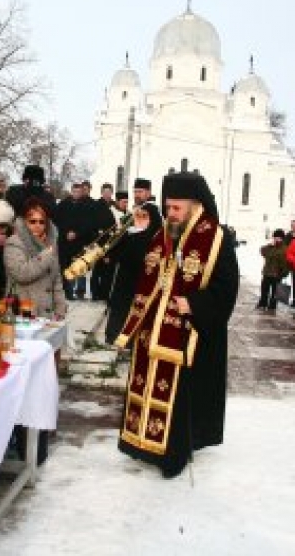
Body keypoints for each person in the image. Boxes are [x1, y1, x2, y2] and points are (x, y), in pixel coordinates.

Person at [115, 172, 239, 479]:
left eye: (176, 208)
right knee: (146, 385)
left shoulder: (215, 238)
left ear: (195, 206)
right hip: (152, 329)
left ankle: (173, 454)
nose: (170, 214)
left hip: (189, 331)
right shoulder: (163, 235)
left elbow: (227, 287)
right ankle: (141, 444)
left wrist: (195, 304)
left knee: (177, 396)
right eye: (168, 207)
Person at [104, 202, 162, 345]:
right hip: (124, 279)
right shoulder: (130, 232)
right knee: (119, 309)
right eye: (138, 216)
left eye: (145, 216)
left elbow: (139, 256)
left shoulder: (155, 236)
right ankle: (114, 336)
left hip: (141, 281)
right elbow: (115, 252)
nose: (140, 219)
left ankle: (131, 340)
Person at [3, 197, 67, 319]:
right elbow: (21, 273)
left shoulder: (49, 244)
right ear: (24, 221)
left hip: (47, 316)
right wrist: (46, 255)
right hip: (22, 313)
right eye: (32, 221)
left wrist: (60, 310)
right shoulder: (15, 242)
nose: (37, 225)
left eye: (41, 221)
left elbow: (57, 281)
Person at [54, 182, 95, 300]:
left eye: (78, 192)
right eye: (74, 191)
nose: (76, 194)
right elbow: (57, 221)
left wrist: (76, 233)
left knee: (77, 266)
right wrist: (66, 232)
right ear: (71, 191)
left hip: (79, 242)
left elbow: (88, 224)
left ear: (81, 192)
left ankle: (76, 291)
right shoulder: (63, 204)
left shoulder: (86, 206)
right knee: (64, 267)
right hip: (64, 241)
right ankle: (65, 291)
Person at [91, 182, 119, 301]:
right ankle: (95, 293)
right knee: (97, 269)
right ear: (102, 192)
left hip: (111, 241)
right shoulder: (96, 205)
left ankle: (105, 293)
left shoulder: (114, 206)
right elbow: (92, 223)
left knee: (108, 271)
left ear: (112, 193)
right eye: (105, 192)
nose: (107, 194)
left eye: (109, 192)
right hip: (98, 241)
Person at [257, 229, 288, 312]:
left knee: (275, 292)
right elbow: (262, 251)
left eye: (278, 238)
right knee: (264, 290)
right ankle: (263, 303)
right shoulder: (270, 247)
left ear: (282, 238)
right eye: (275, 237)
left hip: (277, 273)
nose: (276, 239)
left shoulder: (284, 248)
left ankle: (272, 306)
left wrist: (284, 273)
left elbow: (285, 263)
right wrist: (269, 246)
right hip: (267, 272)